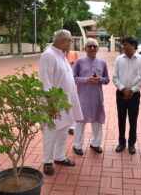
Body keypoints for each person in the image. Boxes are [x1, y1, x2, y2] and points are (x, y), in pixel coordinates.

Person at [39, 29, 83, 176]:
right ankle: (48, 162)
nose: (71, 44)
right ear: (63, 41)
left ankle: (59, 157)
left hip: (65, 103)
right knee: (50, 133)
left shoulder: (62, 55)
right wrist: (50, 105)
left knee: (63, 130)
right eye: (70, 41)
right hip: (53, 104)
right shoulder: (48, 55)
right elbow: (46, 83)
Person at [72, 38, 110, 156]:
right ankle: (77, 145)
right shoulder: (79, 62)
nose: (92, 48)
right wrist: (86, 80)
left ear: (98, 48)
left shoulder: (102, 63)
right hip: (83, 97)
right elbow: (73, 78)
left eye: (94, 46)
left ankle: (95, 144)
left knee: (97, 121)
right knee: (80, 122)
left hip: (97, 98)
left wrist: (100, 79)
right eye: (90, 46)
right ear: (85, 48)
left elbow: (107, 80)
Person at [112, 37, 141, 154]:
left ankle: (132, 144)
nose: (124, 47)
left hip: (134, 95)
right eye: (123, 45)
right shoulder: (119, 59)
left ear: (134, 46)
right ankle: (121, 142)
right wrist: (123, 89)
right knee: (121, 119)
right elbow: (115, 77)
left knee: (133, 120)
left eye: (126, 45)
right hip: (121, 94)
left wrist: (132, 90)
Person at [66, 50, 80, 135]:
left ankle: (72, 126)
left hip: (73, 83)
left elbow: (77, 68)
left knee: (72, 103)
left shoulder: (74, 54)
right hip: (61, 83)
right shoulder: (57, 55)